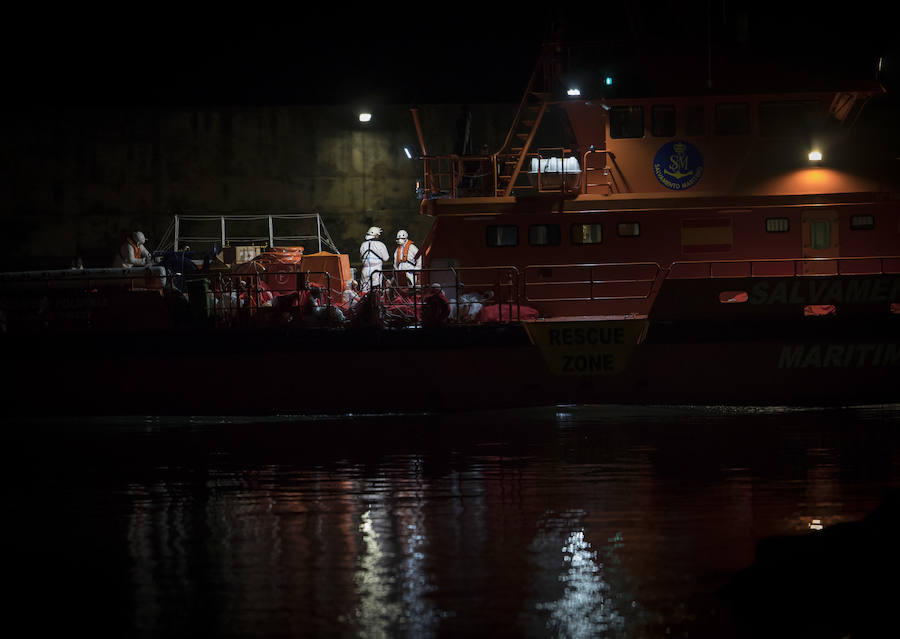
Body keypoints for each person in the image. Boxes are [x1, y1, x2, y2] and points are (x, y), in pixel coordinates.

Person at [359, 226, 389, 292]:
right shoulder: (380, 244)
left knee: (364, 290)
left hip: (365, 270)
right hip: (376, 269)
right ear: (376, 235)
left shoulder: (363, 245)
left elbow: (361, 257)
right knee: (376, 290)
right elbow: (386, 258)